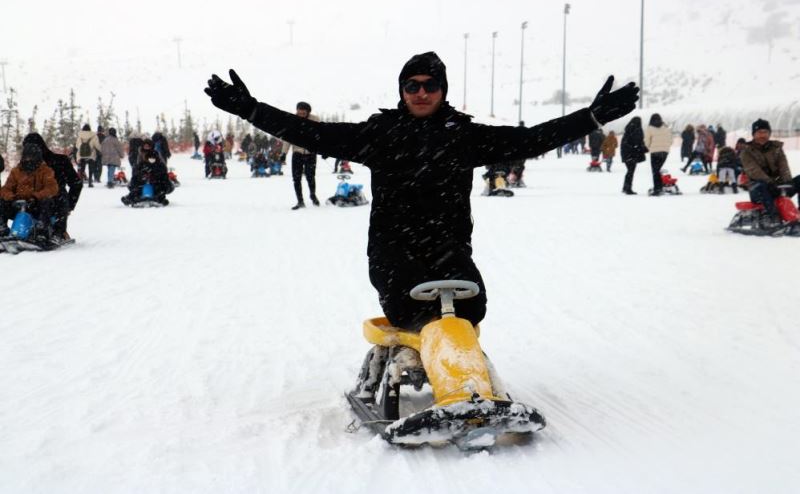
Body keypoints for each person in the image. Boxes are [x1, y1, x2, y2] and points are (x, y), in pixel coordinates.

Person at [205, 52, 638, 330]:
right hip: (395, 251)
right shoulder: (382, 133)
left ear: (443, 90)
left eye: (430, 85)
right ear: (402, 91)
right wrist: (249, 109)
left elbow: (529, 140)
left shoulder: (463, 135)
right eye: (412, 85)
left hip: (449, 249)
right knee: (410, 316)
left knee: (471, 313)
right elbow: (310, 134)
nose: (421, 92)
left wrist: (591, 118)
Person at [21, 133, 83, 239]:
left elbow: (76, 183)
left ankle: (58, 231)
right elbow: (76, 183)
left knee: (57, 197)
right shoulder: (26, 165)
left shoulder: (60, 161)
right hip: (36, 202)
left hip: (55, 203)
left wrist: (69, 205)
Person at [741, 119, 800, 228]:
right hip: (758, 189)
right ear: (754, 134)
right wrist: (769, 182)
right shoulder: (746, 151)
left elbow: (783, 166)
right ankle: (773, 217)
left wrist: (787, 181)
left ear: (769, 133)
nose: (762, 135)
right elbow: (753, 170)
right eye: (759, 133)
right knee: (761, 184)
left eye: (765, 132)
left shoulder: (776, 148)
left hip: (778, 187)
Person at [0, 144, 59, 241]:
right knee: (2, 201)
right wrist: (13, 198)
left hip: (37, 205)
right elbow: (5, 189)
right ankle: (2, 228)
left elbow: (52, 188)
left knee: (46, 201)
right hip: (19, 204)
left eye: (31, 157)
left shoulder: (45, 171)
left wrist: (35, 197)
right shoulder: (16, 171)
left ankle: (42, 231)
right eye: (26, 157)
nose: (28, 160)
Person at [280, 101, 319, 210]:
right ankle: (300, 201)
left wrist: (323, 150)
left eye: (303, 113)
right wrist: (284, 153)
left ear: (308, 112)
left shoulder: (315, 120)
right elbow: (287, 139)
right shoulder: (292, 120)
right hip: (297, 153)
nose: (301, 115)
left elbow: (320, 135)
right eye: (299, 112)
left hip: (310, 153)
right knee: (296, 178)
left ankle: (313, 195)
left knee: (310, 177)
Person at [122, 140, 173, 206]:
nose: (146, 147)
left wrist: (155, 172)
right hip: (143, 179)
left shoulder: (156, 156)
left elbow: (163, 168)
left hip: (156, 180)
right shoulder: (140, 155)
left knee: (158, 187)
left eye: (148, 146)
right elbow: (137, 168)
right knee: (137, 187)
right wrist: (141, 173)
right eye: (145, 146)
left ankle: (160, 198)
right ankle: (132, 197)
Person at [643, 113, 673, 196]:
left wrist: (648, 147)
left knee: (655, 171)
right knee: (657, 170)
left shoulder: (650, 128)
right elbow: (671, 140)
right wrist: (665, 148)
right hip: (665, 152)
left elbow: (647, 141)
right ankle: (659, 186)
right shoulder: (666, 128)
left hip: (655, 152)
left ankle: (657, 189)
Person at [620, 117, 647, 195]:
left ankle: (625, 187)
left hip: (626, 155)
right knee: (630, 172)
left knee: (629, 171)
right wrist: (644, 149)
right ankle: (628, 189)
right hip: (633, 154)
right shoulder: (637, 130)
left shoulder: (627, 130)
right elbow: (638, 143)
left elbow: (625, 144)